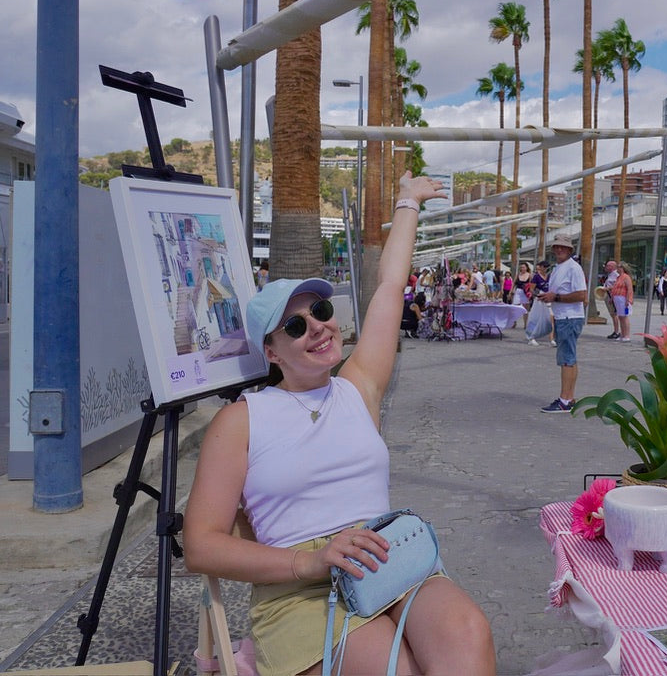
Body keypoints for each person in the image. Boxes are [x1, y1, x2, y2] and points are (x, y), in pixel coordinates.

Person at [183, 172, 496, 676]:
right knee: (396, 668)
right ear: (270, 350)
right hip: (299, 587)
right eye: (294, 325)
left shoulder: (357, 387)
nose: (318, 328)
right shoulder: (240, 421)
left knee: (466, 634)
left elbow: (391, 287)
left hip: (385, 559)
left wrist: (407, 202)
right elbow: (200, 545)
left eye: (321, 311)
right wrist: (309, 562)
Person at [537, 234, 587, 413]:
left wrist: (556, 297)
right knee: (570, 359)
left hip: (569, 317)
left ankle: (564, 400)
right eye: (557, 247)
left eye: (563, 247)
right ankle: (569, 397)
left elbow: (581, 295)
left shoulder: (574, 268)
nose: (559, 250)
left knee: (566, 360)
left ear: (569, 250)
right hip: (563, 316)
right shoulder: (559, 268)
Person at [528, 260, 556, 347]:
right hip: (539, 298)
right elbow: (531, 289)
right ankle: (532, 337)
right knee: (536, 318)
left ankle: (551, 339)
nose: (545, 268)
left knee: (551, 318)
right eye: (544, 267)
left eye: (546, 267)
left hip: (548, 298)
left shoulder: (550, 276)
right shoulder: (536, 277)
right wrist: (537, 295)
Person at [610, 262, 635, 342]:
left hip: (623, 298)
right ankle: (622, 334)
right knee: (620, 317)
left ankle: (627, 335)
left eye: (619, 267)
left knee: (624, 316)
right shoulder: (618, 277)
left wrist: (628, 300)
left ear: (622, 268)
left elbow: (629, 289)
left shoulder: (626, 277)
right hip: (617, 298)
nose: (617, 269)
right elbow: (614, 288)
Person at [602, 260, 621, 339]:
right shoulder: (611, 275)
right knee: (612, 314)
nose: (606, 267)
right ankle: (615, 330)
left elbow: (618, 287)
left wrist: (608, 288)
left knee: (614, 314)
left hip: (612, 296)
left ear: (612, 267)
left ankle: (616, 331)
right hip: (608, 296)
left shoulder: (616, 275)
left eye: (608, 266)